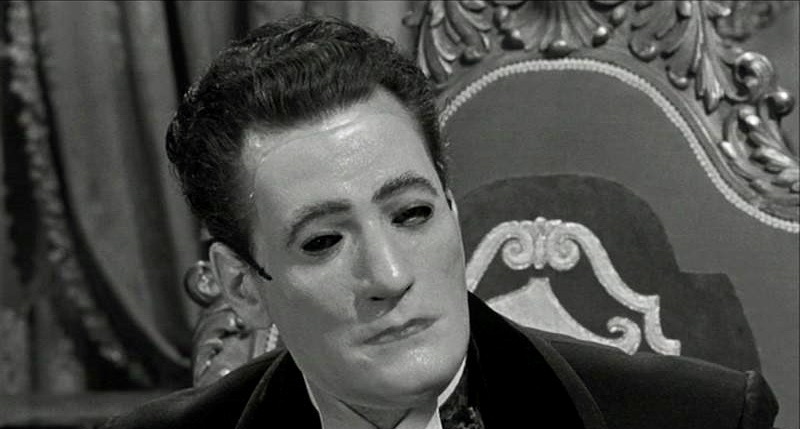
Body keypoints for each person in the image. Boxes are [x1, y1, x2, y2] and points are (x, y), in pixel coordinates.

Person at [104, 16, 778, 429]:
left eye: (412, 213)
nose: (389, 275)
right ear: (243, 285)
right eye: (323, 241)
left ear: (452, 209)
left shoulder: (705, 418)